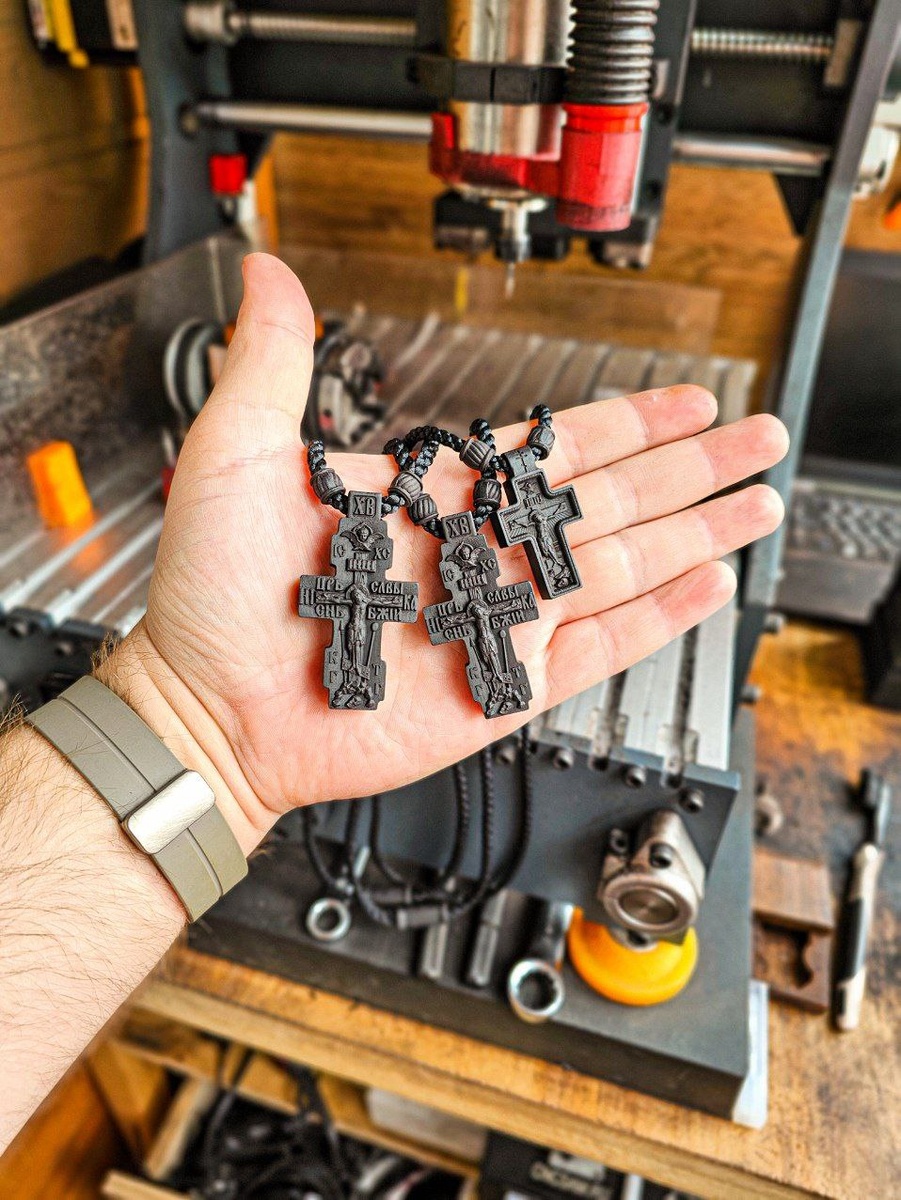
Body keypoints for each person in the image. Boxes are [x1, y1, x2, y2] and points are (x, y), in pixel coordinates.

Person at [0, 253, 789, 1148]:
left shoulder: (464, 553)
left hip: (451, 599)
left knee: (489, 642)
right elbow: (371, 596)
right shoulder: (371, 567)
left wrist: (191, 729)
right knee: (407, 642)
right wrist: (195, 716)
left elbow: (458, 594)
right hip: (345, 643)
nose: (370, 555)